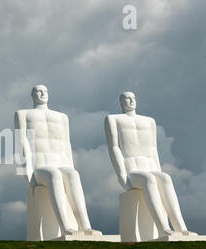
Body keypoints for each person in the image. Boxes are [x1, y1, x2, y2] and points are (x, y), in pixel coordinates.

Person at [105, 91, 197, 237]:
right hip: (132, 169)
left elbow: (153, 149)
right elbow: (114, 147)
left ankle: (181, 227)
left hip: (149, 166)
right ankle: (163, 228)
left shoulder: (149, 121)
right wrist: (121, 173)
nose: (131, 101)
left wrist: (158, 171)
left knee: (165, 178)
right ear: (121, 102)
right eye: (126, 99)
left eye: (133, 98)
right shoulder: (113, 119)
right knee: (148, 179)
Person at [14, 85, 102, 236]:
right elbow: (21, 142)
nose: (42, 94)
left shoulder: (62, 117)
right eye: (38, 91)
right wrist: (27, 173)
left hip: (61, 163)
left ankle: (85, 226)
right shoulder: (23, 114)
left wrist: (71, 166)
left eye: (45, 91)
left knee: (73, 175)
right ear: (32, 95)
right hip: (40, 167)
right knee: (53, 174)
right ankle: (66, 226)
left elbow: (67, 144)